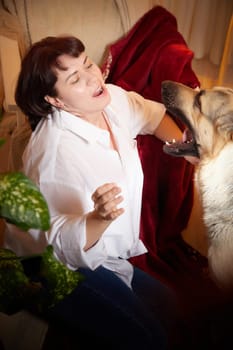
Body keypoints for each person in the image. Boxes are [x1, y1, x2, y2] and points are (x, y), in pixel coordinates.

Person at [5, 35, 197, 349]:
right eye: (75, 78)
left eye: (88, 63)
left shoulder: (110, 100)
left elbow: (152, 115)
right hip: (50, 265)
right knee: (149, 338)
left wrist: (186, 149)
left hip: (103, 255)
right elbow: (59, 244)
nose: (93, 78)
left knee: (170, 307)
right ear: (56, 101)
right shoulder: (53, 156)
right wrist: (99, 217)